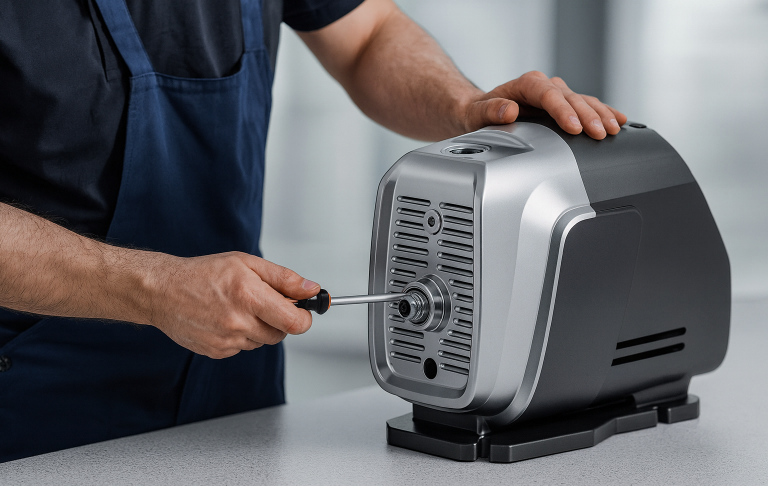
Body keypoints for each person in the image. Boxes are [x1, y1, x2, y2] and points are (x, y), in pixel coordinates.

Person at [0, 0, 627, 462]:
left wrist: (467, 110)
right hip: (35, 403)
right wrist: (157, 288)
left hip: (229, 389)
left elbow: (366, 35)